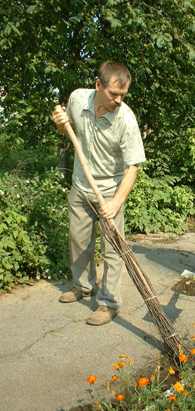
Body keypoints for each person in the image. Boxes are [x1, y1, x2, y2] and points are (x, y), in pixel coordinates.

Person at [52, 61, 146, 325]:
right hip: (81, 185)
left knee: (113, 250)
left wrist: (116, 203)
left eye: (122, 95)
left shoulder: (125, 120)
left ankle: (109, 302)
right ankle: (83, 286)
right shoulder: (77, 99)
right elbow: (67, 130)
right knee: (79, 241)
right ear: (98, 86)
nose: (118, 100)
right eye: (113, 94)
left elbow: (133, 167)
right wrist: (60, 123)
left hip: (110, 190)